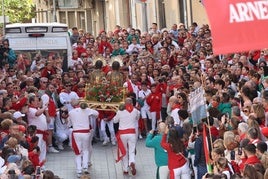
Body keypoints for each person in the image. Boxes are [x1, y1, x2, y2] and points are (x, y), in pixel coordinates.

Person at [69, 100, 99, 178]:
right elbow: (97, 114)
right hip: (86, 132)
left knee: (78, 152)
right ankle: (85, 167)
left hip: (76, 133)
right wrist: (89, 109)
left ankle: (79, 170)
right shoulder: (87, 110)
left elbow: (69, 123)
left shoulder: (71, 112)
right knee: (85, 150)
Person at [113, 98, 140, 175]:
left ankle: (125, 169)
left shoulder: (120, 111)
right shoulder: (136, 111)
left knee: (124, 151)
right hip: (132, 133)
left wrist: (117, 113)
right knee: (131, 150)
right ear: (132, 103)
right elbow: (137, 118)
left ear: (125, 103)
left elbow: (115, 121)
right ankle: (132, 162)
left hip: (122, 133)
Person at [27, 95, 48, 164]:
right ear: (32, 102)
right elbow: (37, 114)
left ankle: (42, 164)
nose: (38, 102)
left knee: (42, 149)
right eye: (36, 101)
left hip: (43, 133)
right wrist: (44, 107)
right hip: (36, 133)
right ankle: (37, 164)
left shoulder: (37, 108)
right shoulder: (30, 109)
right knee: (37, 149)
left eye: (38, 100)